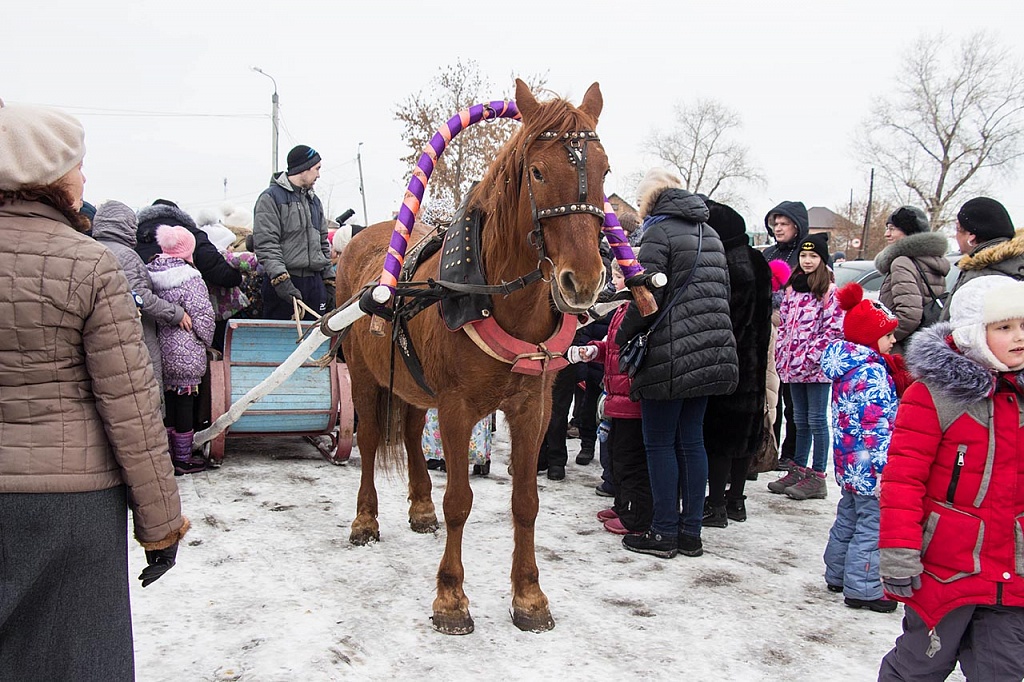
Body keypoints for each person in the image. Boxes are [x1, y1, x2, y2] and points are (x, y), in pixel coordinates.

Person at [0, 99, 188, 680]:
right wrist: (159, 524)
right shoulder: (90, 265)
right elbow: (131, 406)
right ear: (50, 175)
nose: (84, 178)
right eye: (78, 165)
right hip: (72, 508)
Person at [878, 275, 1024, 680]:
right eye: (1004, 327)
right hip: (944, 569)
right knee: (918, 668)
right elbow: (903, 481)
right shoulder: (934, 395)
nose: (1018, 337)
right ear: (975, 333)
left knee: (1004, 672)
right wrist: (899, 552)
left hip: (1012, 574)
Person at [615, 168, 738, 558]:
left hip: (669, 353)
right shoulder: (711, 233)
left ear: (649, 202)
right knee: (692, 441)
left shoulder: (658, 233)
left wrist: (620, 337)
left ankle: (663, 531)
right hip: (712, 351)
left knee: (659, 444)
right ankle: (690, 532)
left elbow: (645, 298)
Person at [820, 282, 900, 614]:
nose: (894, 341)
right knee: (873, 524)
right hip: (871, 466)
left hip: (850, 462)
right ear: (870, 337)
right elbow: (878, 428)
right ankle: (865, 588)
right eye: (888, 335)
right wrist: (885, 471)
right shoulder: (873, 374)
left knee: (849, 517)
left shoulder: (848, 368)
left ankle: (837, 572)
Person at [701, 199, 772, 528]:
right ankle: (736, 500)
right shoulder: (757, 259)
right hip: (755, 358)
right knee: (744, 433)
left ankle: (715, 504)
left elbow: (729, 319)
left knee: (720, 434)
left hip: (730, 360)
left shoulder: (730, 264)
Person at [570, 263, 653, 535]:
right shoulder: (620, 308)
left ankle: (636, 516)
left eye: (618, 277)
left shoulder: (639, 309)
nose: (614, 282)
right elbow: (613, 347)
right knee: (616, 457)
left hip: (629, 399)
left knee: (630, 460)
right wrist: (595, 351)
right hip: (614, 396)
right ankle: (621, 504)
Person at [768, 233, 844, 500]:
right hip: (792, 367)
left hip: (815, 369)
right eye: (804, 255)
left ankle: (818, 475)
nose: (808, 260)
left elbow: (833, 330)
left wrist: (811, 355)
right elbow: (786, 324)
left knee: (816, 420)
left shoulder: (829, 292)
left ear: (822, 259)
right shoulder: (792, 288)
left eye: (813, 256)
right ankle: (799, 468)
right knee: (798, 419)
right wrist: (782, 352)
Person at [91, 200, 191, 392]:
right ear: (125, 225)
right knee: (146, 387)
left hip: (103, 332)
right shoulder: (125, 255)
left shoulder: (92, 248)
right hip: (135, 332)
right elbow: (140, 296)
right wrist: (175, 313)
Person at [148, 225, 216, 475]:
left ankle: (167, 454)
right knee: (185, 403)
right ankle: (183, 458)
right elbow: (204, 316)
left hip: (157, 348)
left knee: (167, 404)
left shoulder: (150, 272)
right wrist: (206, 341)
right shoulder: (190, 278)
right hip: (185, 350)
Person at [253, 144, 333, 320]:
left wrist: (329, 281)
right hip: (285, 284)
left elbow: (322, 244)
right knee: (283, 343)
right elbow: (267, 244)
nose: (319, 175)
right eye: (317, 169)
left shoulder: (314, 201)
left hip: (314, 284)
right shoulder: (271, 198)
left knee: (319, 340)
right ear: (303, 168)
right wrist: (282, 281)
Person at [762, 201, 810, 470]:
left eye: (783, 224)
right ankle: (769, 448)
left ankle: (791, 453)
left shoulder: (806, 255)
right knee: (770, 398)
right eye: (775, 224)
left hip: (794, 337)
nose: (778, 229)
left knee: (793, 402)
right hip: (767, 333)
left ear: (796, 226)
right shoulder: (768, 253)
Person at [873, 205, 949, 352]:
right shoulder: (933, 260)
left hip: (902, 348)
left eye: (892, 228)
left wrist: (884, 337)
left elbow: (909, 315)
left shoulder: (902, 262)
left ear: (908, 231)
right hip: (927, 343)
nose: (886, 234)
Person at [135, 199, 243, 289]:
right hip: (185, 305)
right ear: (178, 214)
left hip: (143, 305)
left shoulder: (133, 238)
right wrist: (236, 278)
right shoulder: (190, 234)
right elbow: (213, 266)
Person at [944, 197, 1024, 316]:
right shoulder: (1016, 262)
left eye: (958, 229)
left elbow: (962, 326)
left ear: (971, 236)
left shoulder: (979, 273)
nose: (956, 236)